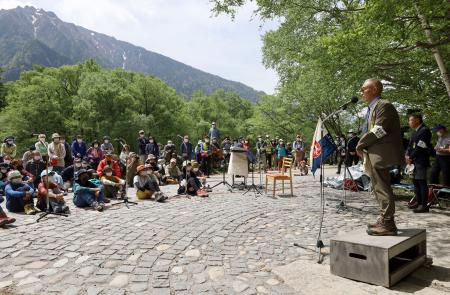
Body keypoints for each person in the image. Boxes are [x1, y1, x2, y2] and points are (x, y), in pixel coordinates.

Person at [356, 78, 404, 236]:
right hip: (374, 153)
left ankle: (388, 223)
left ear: (375, 89)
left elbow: (379, 130)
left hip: (381, 154)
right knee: (378, 187)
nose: (361, 92)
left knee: (382, 187)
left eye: (364, 88)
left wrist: (359, 144)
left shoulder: (384, 105)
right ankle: (384, 219)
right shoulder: (373, 107)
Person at [406, 114, 432, 213]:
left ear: (417, 120)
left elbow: (421, 146)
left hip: (421, 160)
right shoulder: (414, 132)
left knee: (421, 182)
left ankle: (424, 205)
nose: (409, 122)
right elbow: (410, 146)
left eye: (410, 120)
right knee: (415, 182)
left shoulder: (424, 131)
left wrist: (411, 157)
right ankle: (418, 201)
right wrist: (407, 155)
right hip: (412, 161)